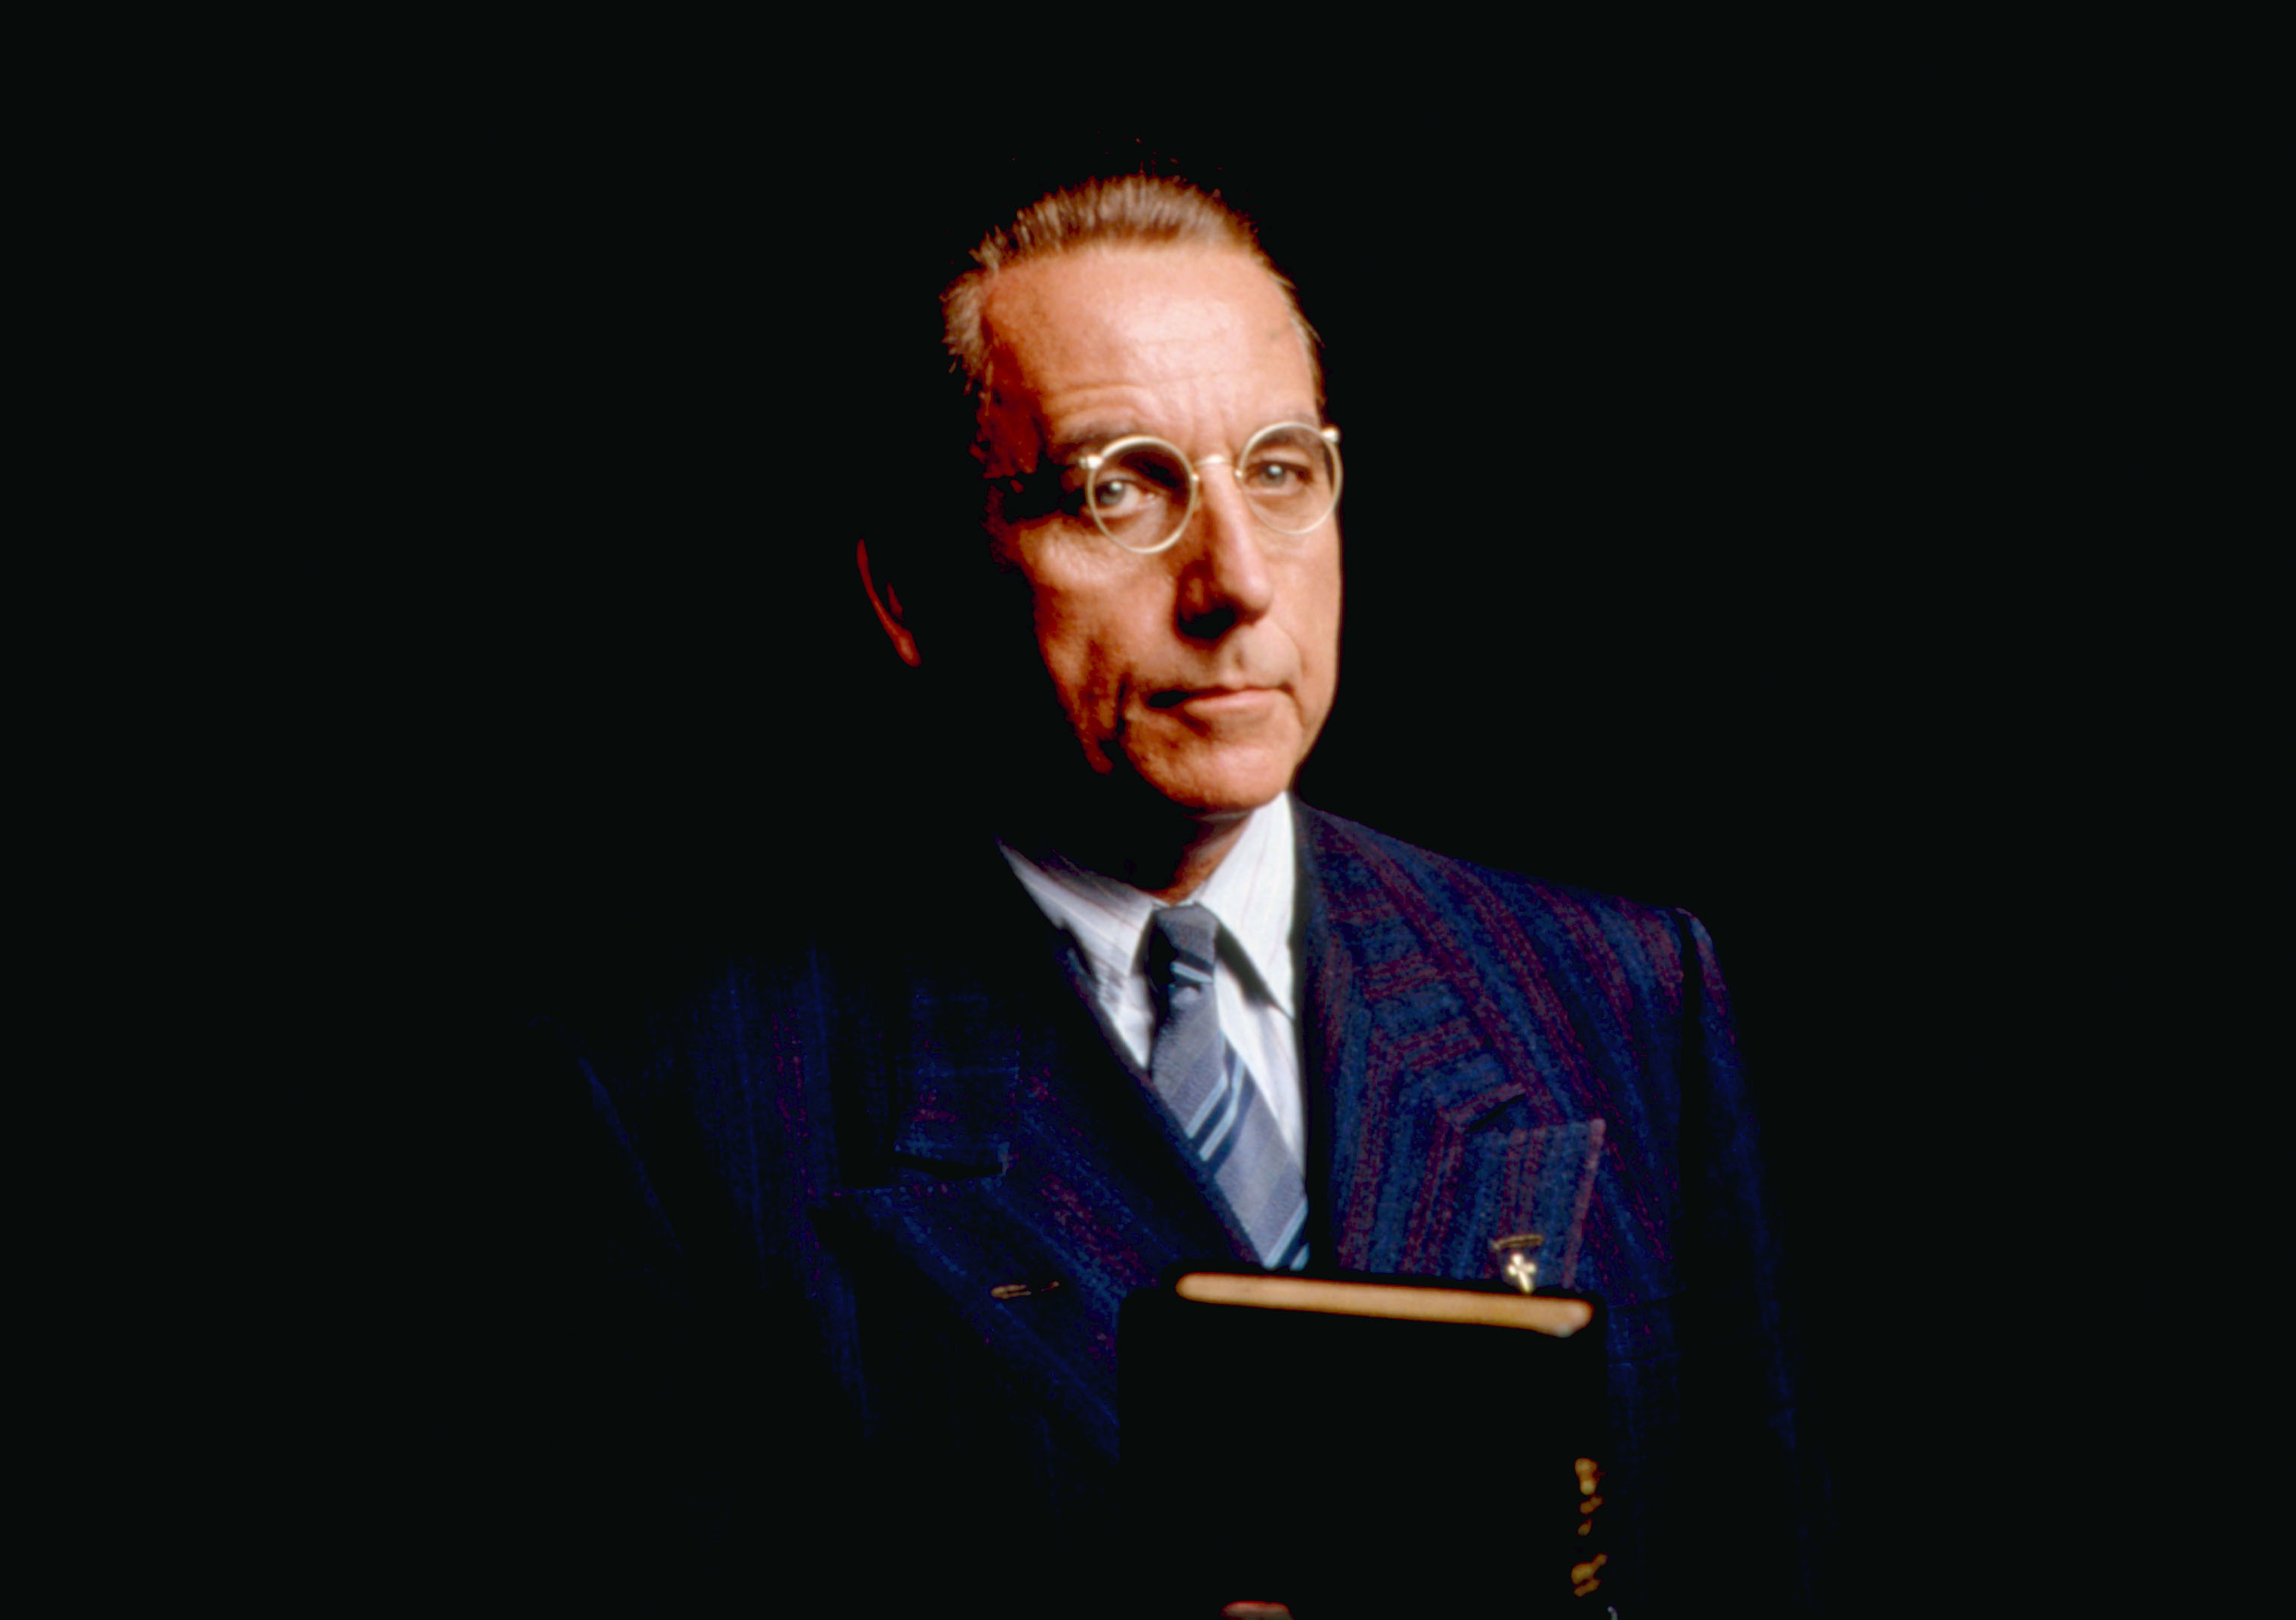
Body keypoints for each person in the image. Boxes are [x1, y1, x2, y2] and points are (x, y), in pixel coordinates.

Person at [517, 176, 1815, 1612]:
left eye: (1276, 470)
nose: (1236, 583)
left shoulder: (1618, 993)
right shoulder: (681, 1105)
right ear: (911, 592)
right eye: (1117, 488)